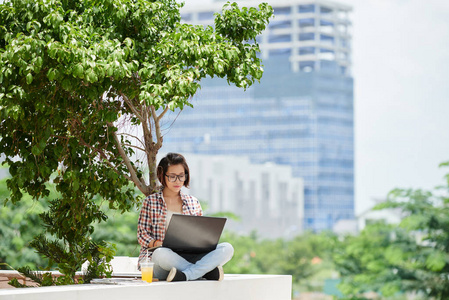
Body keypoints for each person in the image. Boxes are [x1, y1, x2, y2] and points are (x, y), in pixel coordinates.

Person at [137, 153, 234, 282]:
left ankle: (186, 275)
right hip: (164, 260)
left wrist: (202, 242)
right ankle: (203, 272)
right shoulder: (150, 202)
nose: (178, 181)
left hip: (190, 255)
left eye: (181, 176)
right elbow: (142, 235)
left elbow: (201, 234)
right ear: (163, 176)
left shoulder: (193, 202)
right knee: (160, 254)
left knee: (227, 248)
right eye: (172, 177)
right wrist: (160, 244)